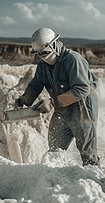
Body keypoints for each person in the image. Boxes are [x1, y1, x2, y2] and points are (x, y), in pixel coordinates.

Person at [16, 27, 100, 167]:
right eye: (39, 54)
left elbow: (82, 88)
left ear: (54, 45)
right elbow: (36, 84)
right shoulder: (43, 66)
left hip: (82, 106)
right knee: (55, 149)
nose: (42, 57)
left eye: (45, 53)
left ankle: (94, 181)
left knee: (88, 152)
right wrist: (25, 99)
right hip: (62, 106)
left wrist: (52, 102)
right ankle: (56, 177)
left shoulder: (73, 59)